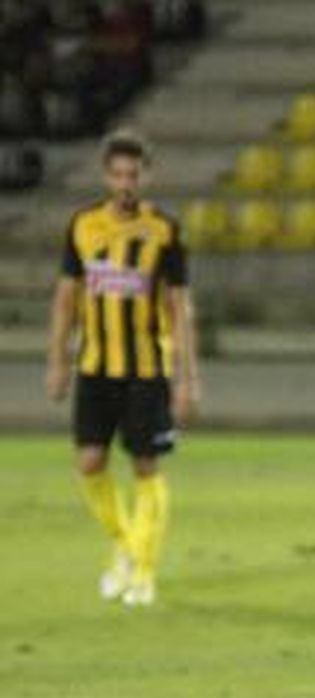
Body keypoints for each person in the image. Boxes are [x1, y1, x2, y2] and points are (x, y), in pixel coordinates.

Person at [46, 129, 200, 608]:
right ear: (105, 176)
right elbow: (66, 300)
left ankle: (144, 571)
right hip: (95, 367)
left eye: (133, 174)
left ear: (146, 176)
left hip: (146, 369)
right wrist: (58, 360)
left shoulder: (164, 232)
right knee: (90, 462)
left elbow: (180, 308)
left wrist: (187, 378)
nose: (125, 183)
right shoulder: (83, 226)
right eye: (117, 174)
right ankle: (126, 544)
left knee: (145, 466)